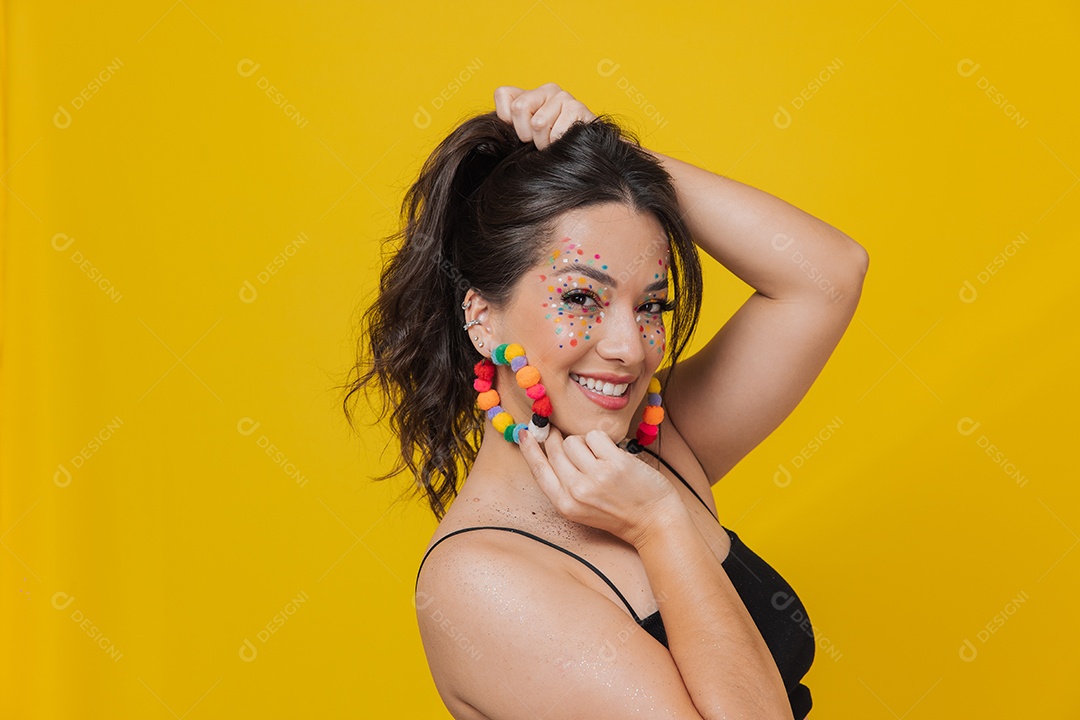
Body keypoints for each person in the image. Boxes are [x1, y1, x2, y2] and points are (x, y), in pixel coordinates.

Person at [343, 82, 868, 719]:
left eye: (650, 305)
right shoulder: (481, 582)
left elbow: (826, 277)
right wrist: (658, 525)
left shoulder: (664, 444)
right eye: (581, 298)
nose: (628, 348)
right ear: (482, 317)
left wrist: (616, 158)